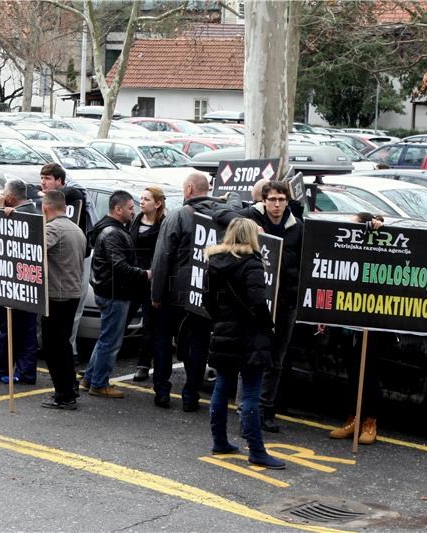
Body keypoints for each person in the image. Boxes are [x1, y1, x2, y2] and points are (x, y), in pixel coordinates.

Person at [215, 180, 303, 432]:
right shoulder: (249, 216)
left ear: (287, 201)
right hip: (254, 303)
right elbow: (219, 213)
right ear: (263, 201)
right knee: (252, 358)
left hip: (285, 303)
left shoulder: (297, 227)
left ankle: (265, 411)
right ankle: (246, 410)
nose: (277, 205)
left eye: (281, 200)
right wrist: (249, 223)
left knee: (276, 360)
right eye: (272, 199)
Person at [151, 172, 241, 410]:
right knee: (198, 344)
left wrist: (156, 294)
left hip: (175, 293)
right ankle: (191, 395)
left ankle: (162, 391)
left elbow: (163, 256)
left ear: (189, 189)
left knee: (163, 341)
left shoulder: (179, 215)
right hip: (207, 292)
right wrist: (230, 196)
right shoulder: (223, 217)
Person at [204, 218, 285, 469]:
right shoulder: (252, 263)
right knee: (250, 393)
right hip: (250, 336)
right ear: (251, 236)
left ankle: (220, 441)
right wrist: (266, 324)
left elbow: (208, 299)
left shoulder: (215, 262)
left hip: (224, 331)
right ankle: (257, 451)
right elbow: (258, 302)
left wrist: (221, 319)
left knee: (221, 387)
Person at [80, 190, 150, 398]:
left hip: (109, 290)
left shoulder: (110, 229)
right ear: (118, 209)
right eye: (130, 208)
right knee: (111, 341)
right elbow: (119, 265)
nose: (133, 211)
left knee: (106, 338)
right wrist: (144, 274)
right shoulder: (112, 233)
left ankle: (90, 378)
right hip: (114, 293)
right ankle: (99, 383)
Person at [328, 212, 385, 445]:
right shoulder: (347, 252)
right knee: (353, 373)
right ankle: (353, 419)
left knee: (370, 374)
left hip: (374, 325)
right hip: (349, 325)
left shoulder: (377, 252)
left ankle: (370, 422)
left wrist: (379, 229)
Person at [0, 179, 40, 384]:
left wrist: (0, 211)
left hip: (13, 282)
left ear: (11, 197)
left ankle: (1, 367)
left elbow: (0, 239)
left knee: (6, 329)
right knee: (26, 331)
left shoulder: (19, 215)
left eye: (4, 194)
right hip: (28, 284)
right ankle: (24, 371)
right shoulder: (34, 212)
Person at [38, 163, 94, 364]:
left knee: (70, 315)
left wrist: (53, 195)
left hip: (72, 267)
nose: (43, 182)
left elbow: (74, 192)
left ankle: (69, 352)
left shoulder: (74, 195)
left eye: (48, 178)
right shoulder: (44, 202)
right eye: (42, 178)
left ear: (60, 181)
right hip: (55, 273)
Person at [40, 190, 87, 409]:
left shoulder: (53, 229)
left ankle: (64, 394)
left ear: (45, 208)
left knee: (53, 347)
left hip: (56, 296)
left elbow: (33, 250)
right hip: (72, 293)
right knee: (64, 345)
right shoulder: (75, 228)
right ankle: (70, 388)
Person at [127, 186, 166, 382]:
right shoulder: (135, 220)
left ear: (157, 204)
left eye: (146, 199)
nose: (141, 202)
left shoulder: (163, 224)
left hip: (152, 278)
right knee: (122, 319)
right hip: (134, 276)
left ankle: (143, 364)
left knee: (149, 324)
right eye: (140, 198)